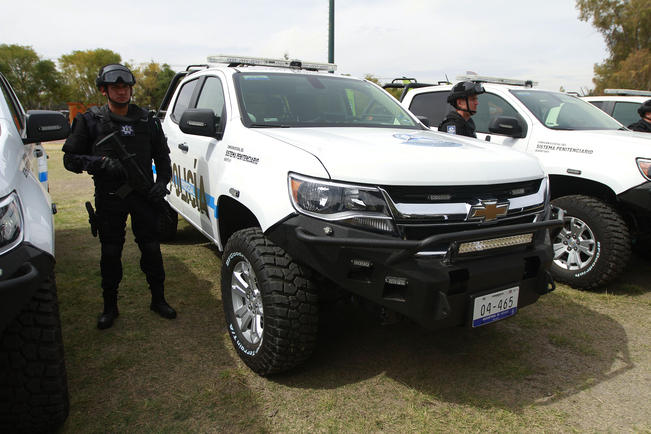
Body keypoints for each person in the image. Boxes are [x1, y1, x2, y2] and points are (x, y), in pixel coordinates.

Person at [62, 64, 176, 329]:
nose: (122, 92)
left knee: (150, 247)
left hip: (144, 195)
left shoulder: (147, 120)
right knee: (111, 251)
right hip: (110, 195)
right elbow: (70, 158)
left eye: (126, 87)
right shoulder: (90, 120)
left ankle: (158, 299)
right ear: (104, 90)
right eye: (115, 88)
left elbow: (162, 156)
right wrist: (100, 163)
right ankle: (110, 306)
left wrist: (162, 182)